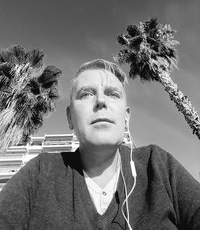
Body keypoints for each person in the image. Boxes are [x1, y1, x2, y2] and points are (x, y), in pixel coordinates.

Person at [0, 59, 200, 230]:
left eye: (113, 94)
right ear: (70, 118)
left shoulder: (158, 165)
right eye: (86, 94)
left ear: (126, 118)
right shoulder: (41, 171)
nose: (101, 101)